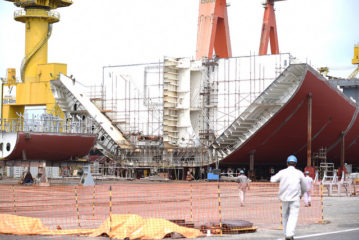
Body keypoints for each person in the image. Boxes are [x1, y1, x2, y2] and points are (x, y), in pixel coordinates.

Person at [270, 155, 307, 240]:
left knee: (285, 216)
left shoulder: (282, 172)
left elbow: (272, 180)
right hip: (295, 198)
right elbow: (305, 187)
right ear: (295, 164)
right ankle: (289, 234)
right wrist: (301, 194)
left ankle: (286, 233)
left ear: (287, 163)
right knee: (293, 216)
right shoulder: (299, 173)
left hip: (284, 198)